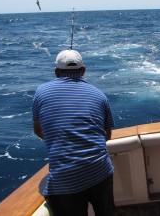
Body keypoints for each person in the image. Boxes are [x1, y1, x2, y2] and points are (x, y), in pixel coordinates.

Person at [33, 49, 115, 216]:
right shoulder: (100, 95)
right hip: (100, 171)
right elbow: (107, 135)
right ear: (83, 71)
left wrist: (61, 140)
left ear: (56, 72)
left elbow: (39, 130)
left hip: (65, 177)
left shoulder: (41, 93)